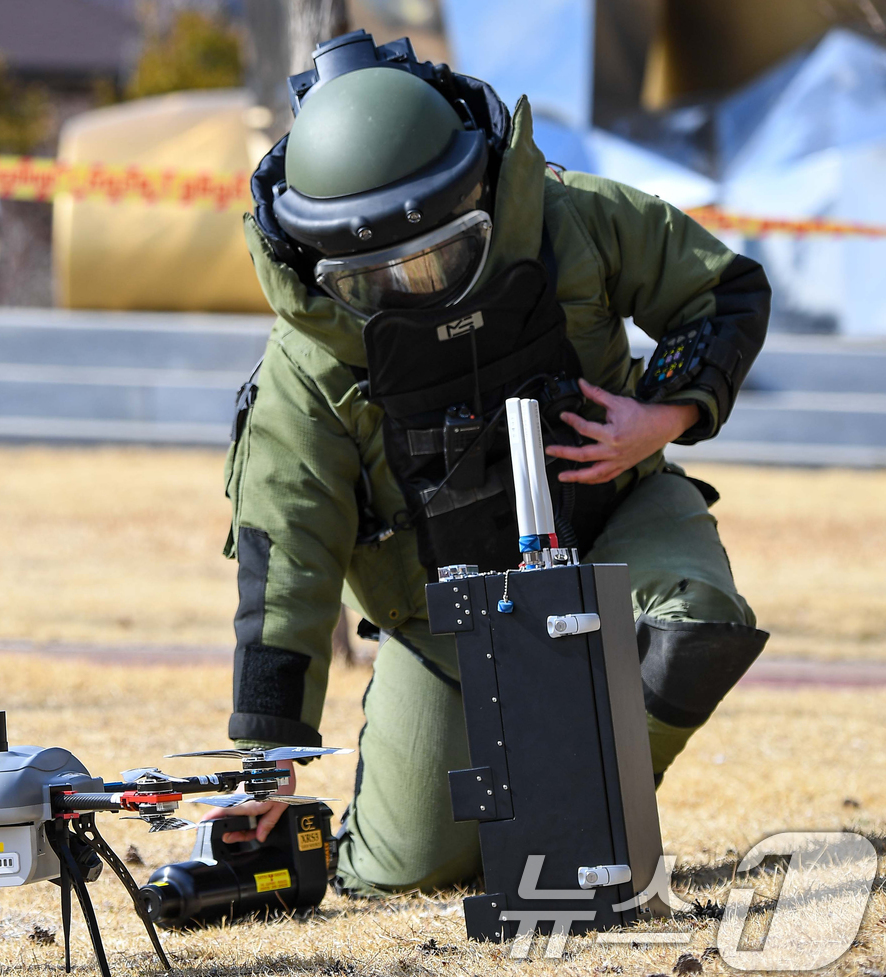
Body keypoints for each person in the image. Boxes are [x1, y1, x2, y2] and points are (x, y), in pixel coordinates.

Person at [206, 30, 771, 897]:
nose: (419, 286)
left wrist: (662, 416)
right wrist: (267, 759)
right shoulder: (306, 368)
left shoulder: (569, 219)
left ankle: (579, 806)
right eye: (379, 278)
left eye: (442, 254)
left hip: (611, 529)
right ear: (325, 267)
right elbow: (286, 557)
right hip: (441, 623)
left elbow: (721, 288)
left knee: (693, 628)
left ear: (479, 194)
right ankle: (447, 820)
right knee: (411, 872)